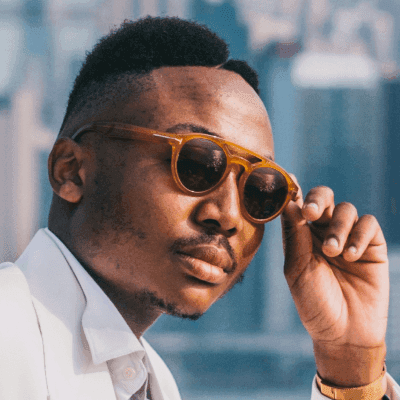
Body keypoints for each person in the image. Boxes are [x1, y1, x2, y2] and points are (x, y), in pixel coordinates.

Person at [0, 16, 398, 400]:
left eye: (259, 190)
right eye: (195, 165)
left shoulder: (151, 381)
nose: (227, 215)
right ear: (71, 172)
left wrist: (350, 366)